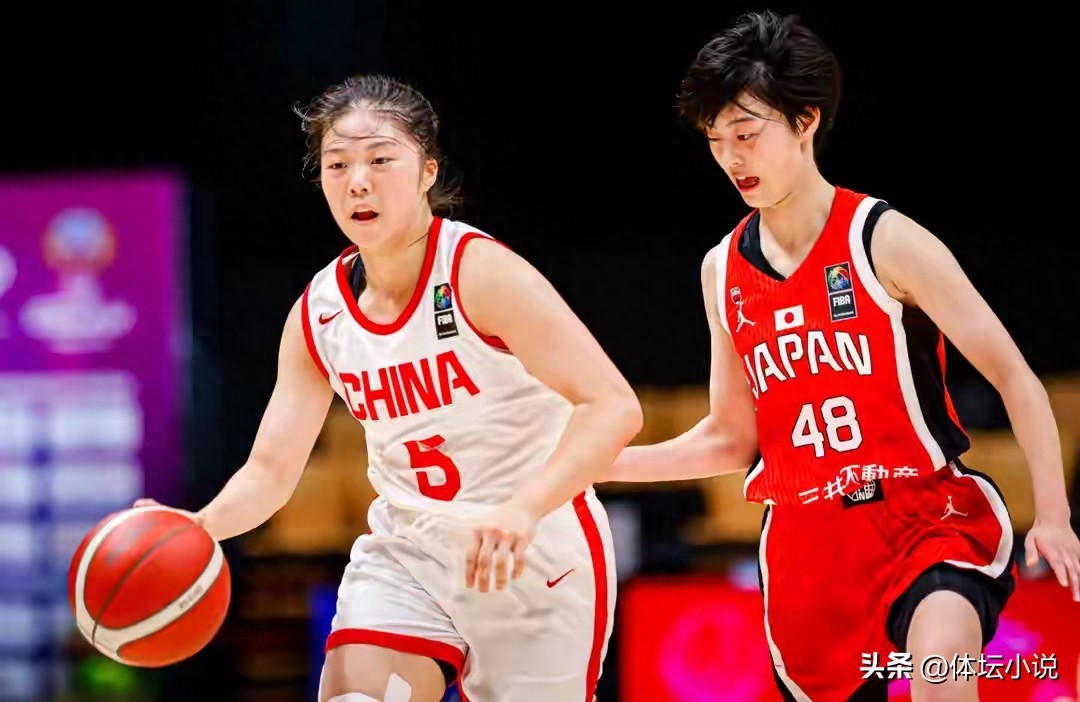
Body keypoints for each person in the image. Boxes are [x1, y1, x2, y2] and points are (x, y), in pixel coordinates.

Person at [604, 11, 1080, 702]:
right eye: (716, 141)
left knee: (939, 675)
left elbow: (1013, 375)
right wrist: (602, 463)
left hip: (923, 518)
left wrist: (1057, 515)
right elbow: (732, 438)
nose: (731, 158)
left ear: (805, 121)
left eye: (746, 134)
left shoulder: (885, 240)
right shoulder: (721, 270)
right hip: (807, 546)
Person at [138, 74, 641, 702]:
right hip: (409, 553)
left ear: (428, 171)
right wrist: (198, 526)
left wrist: (526, 505)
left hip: (533, 553)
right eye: (338, 164)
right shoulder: (317, 313)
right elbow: (270, 470)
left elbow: (614, 406)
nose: (358, 182)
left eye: (381, 159)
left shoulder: (480, 273)